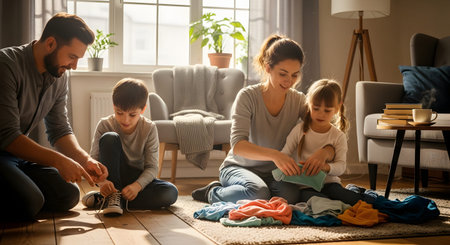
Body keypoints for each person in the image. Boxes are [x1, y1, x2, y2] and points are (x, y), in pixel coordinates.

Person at [192, 34, 336, 204]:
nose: (289, 81)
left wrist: (325, 151)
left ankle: (261, 191)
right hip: (239, 167)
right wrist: (275, 155)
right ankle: (212, 192)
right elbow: (238, 146)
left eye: (295, 75)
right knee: (257, 192)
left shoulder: (298, 100)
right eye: (283, 74)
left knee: (290, 198)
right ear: (268, 68)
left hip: (276, 173)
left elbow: (329, 130)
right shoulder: (247, 96)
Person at [0, 13, 108, 221]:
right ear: (50, 43)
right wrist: (60, 161)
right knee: (30, 201)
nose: (74, 66)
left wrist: (85, 160)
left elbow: (59, 129)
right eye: (72, 57)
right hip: (4, 150)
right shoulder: (6, 65)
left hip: (16, 156)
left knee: (69, 194)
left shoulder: (58, 75)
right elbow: (7, 136)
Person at [83, 78, 178, 216]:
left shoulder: (149, 128)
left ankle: (109, 200)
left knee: (170, 193)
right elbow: (94, 162)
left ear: (143, 109)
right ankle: (112, 197)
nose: (125, 120)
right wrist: (103, 183)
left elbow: (152, 167)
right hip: (112, 175)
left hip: (136, 179)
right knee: (110, 137)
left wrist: (137, 186)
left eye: (132, 115)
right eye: (119, 112)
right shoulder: (105, 125)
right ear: (113, 106)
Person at [280, 79, 377, 205]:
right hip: (305, 186)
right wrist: (289, 166)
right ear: (309, 104)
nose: (321, 114)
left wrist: (325, 167)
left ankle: (360, 193)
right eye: (316, 108)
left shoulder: (338, 136)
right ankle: (349, 192)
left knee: (355, 201)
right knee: (317, 202)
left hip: (330, 184)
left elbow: (341, 167)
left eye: (327, 110)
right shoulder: (299, 130)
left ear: (337, 108)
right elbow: (285, 153)